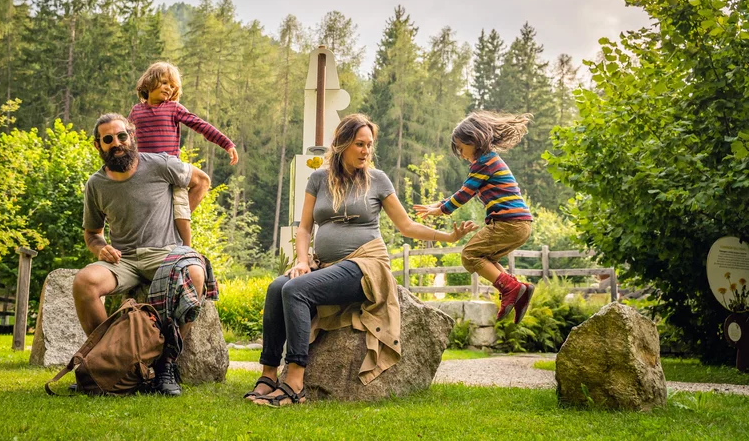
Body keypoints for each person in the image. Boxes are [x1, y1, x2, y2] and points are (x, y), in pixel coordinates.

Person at [245, 114, 475, 407]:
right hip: (325, 265)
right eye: (359, 144)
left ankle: (295, 381)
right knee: (278, 287)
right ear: (342, 144)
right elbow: (304, 228)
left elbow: (406, 226)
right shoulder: (318, 179)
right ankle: (267, 375)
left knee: (295, 290)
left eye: (369, 145)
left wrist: (448, 237)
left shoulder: (378, 180)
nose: (366, 151)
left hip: (366, 265)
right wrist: (302, 261)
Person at [73, 113, 215, 396]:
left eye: (122, 136)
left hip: (165, 254)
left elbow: (201, 180)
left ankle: (166, 366)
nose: (117, 143)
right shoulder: (96, 184)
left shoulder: (160, 164)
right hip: (122, 260)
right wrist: (101, 247)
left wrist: (180, 219)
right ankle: (111, 362)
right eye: (108, 139)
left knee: (195, 273)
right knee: (84, 282)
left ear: (132, 135)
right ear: (97, 145)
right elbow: (92, 234)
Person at [414, 110, 535, 324]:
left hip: (508, 223)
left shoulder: (484, 163)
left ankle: (511, 288)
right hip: (520, 224)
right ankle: (519, 291)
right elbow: (465, 189)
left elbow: (464, 193)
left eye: (461, 148)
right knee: (486, 258)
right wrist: (439, 204)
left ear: (475, 139)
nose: (461, 155)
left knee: (469, 255)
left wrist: (442, 210)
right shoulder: (489, 161)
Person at [128, 61, 238, 248]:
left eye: (172, 86)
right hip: (146, 170)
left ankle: (185, 250)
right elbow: (126, 138)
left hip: (171, 171)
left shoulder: (173, 108)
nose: (168, 88)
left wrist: (226, 143)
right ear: (149, 82)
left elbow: (200, 125)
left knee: (181, 211)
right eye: (164, 82)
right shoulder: (136, 111)